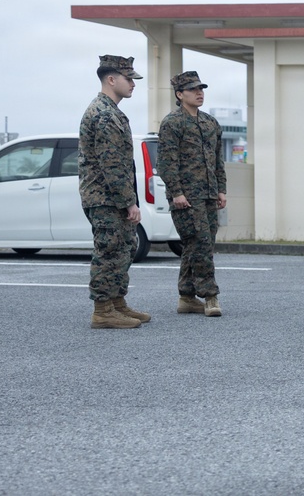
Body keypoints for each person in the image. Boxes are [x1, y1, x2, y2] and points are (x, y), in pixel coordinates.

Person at [78, 55, 151, 329]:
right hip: (105, 197)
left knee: (124, 248)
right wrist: (129, 202)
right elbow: (112, 166)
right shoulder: (104, 114)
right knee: (109, 251)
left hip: (110, 197)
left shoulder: (111, 111)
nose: (133, 84)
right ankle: (102, 310)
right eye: (128, 79)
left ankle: (117, 303)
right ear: (111, 79)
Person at [157, 71, 227, 317]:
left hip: (208, 194)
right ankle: (210, 296)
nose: (199, 93)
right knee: (201, 243)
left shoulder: (210, 123)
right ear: (179, 94)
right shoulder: (172, 123)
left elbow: (218, 159)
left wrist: (221, 189)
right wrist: (176, 193)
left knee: (195, 244)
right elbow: (166, 163)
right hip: (186, 196)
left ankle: (186, 296)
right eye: (193, 89)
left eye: (201, 88)